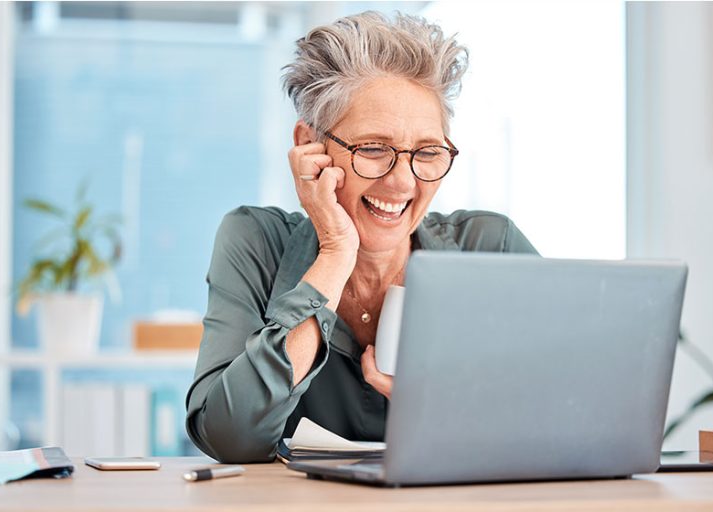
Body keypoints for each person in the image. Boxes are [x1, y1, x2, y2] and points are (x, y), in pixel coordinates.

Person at [185, 11, 537, 464]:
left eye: (427, 152)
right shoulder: (256, 242)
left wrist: (450, 410)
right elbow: (230, 437)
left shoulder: (491, 248)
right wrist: (335, 252)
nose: (403, 184)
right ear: (309, 147)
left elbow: (576, 412)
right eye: (373, 149)